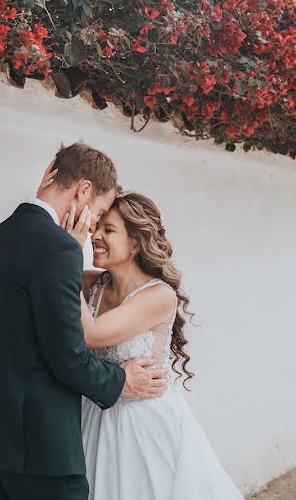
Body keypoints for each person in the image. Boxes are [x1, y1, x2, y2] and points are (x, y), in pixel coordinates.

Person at [0, 142, 168, 500]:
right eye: (97, 213)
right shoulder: (58, 248)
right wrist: (123, 381)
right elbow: (69, 356)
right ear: (83, 190)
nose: (94, 226)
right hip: (38, 446)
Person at [42, 167, 247, 499]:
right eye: (96, 228)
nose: (95, 236)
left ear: (135, 242)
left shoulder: (158, 296)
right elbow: (50, 276)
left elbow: (90, 334)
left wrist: (69, 249)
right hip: (92, 414)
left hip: (140, 425)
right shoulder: (92, 284)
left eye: (108, 230)